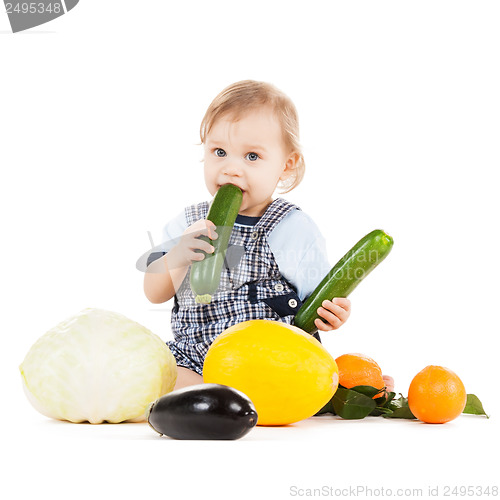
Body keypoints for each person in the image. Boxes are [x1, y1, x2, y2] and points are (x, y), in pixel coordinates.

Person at [144, 80, 390, 392]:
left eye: (252, 157)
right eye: (219, 152)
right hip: (196, 360)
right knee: (154, 378)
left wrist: (334, 313)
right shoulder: (188, 222)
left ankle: (355, 386)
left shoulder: (292, 228)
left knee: (305, 386)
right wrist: (178, 254)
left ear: (287, 165)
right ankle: (214, 397)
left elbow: (317, 303)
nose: (231, 168)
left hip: (268, 363)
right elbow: (154, 292)